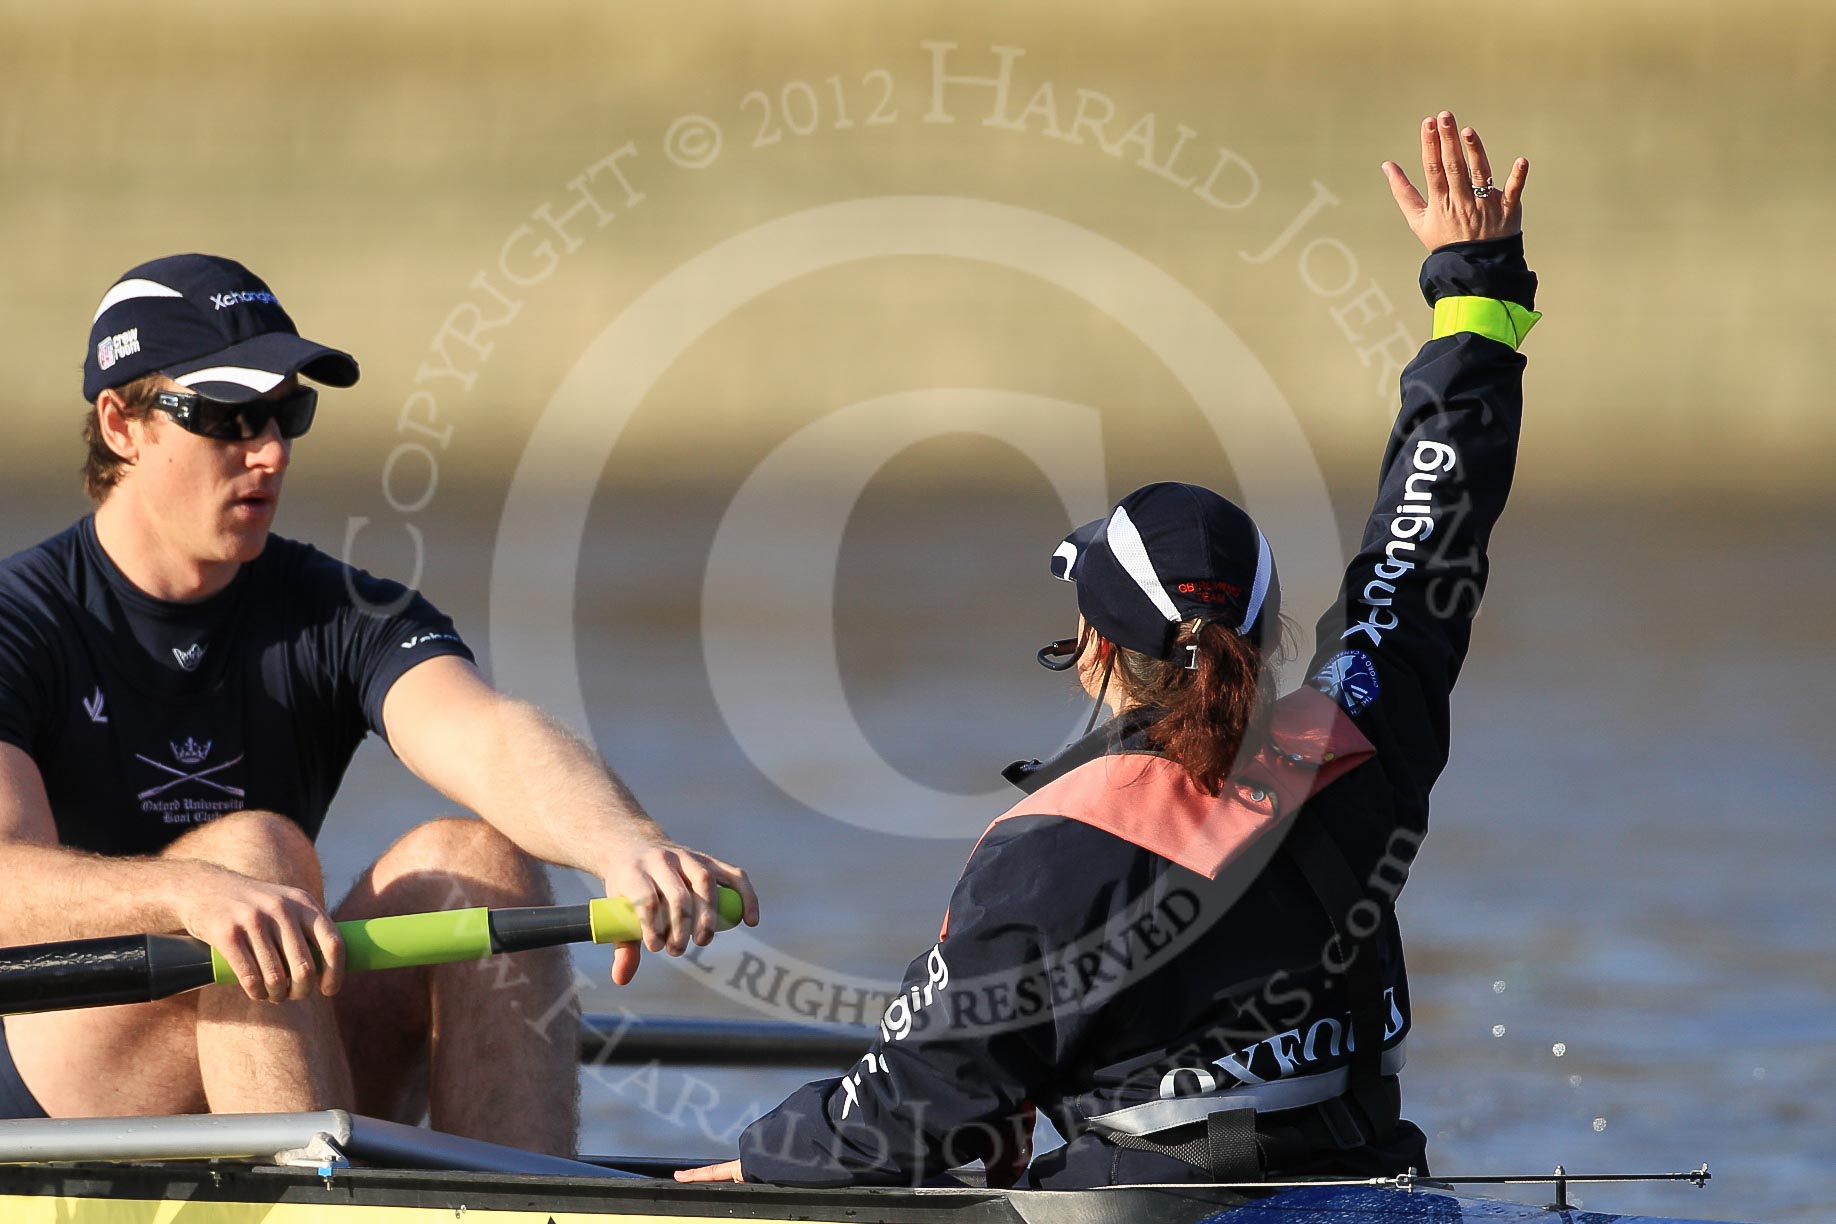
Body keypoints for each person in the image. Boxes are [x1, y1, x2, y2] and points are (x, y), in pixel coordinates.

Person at [677, 110, 1538, 1187]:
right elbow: (1425, 536)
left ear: (1091, 649)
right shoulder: (1360, 737)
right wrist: (1476, 294)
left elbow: (907, 1113)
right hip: (1383, 1198)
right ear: (1267, 635)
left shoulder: (1049, 855)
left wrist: (753, 1169)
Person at [0, 252, 759, 1154]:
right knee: (255, 853)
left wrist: (627, 845)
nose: (271, 450)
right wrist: (187, 892)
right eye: (230, 417)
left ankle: (523, 1203)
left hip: (271, 1028)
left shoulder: (335, 611)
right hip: (59, 1069)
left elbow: (491, 737)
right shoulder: (22, 621)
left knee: (474, 862)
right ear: (121, 424)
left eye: (288, 412)